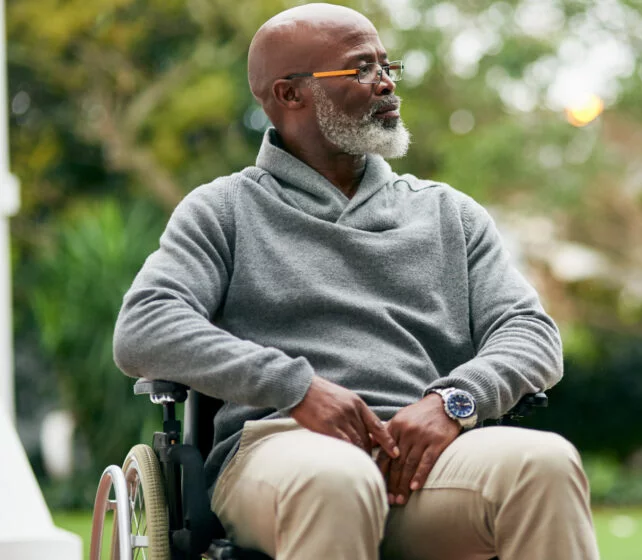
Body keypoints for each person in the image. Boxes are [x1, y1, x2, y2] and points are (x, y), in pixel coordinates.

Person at [112, 3, 600, 559]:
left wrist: (454, 401)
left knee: (546, 464)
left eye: (387, 65)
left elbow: (531, 333)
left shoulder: (449, 215)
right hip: (281, 452)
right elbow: (144, 327)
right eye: (361, 70)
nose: (387, 83)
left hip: (423, 458)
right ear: (289, 95)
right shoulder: (223, 210)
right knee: (339, 479)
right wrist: (297, 388)